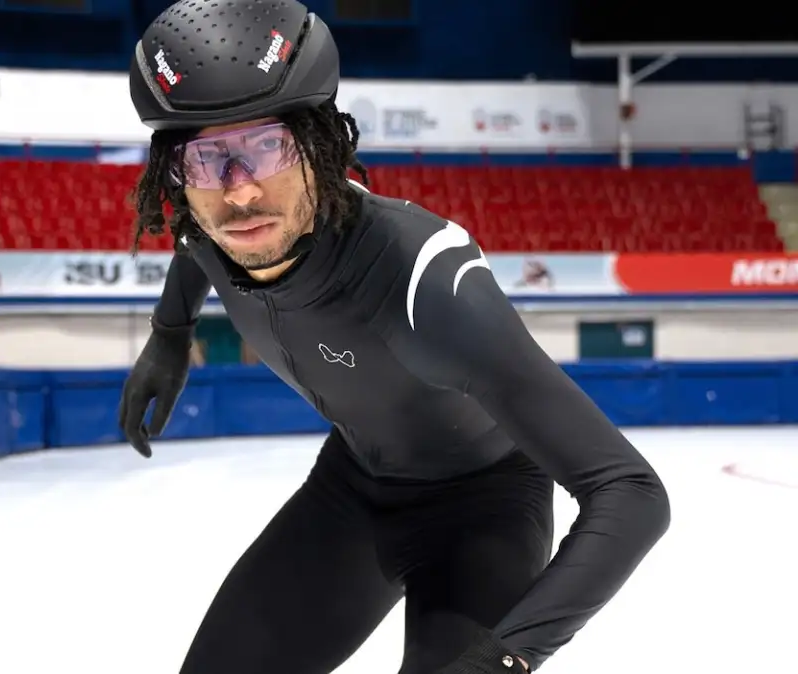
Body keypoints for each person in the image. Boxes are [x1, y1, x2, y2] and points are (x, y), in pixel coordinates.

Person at [116, 2, 671, 673]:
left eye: (266, 147)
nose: (239, 193)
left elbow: (633, 494)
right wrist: (168, 336)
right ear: (174, 176)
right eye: (206, 160)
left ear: (319, 144)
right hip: (352, 492)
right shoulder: (208, 230)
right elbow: (190, 244)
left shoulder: (426, 283)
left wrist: (506, 659)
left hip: (483, 512)